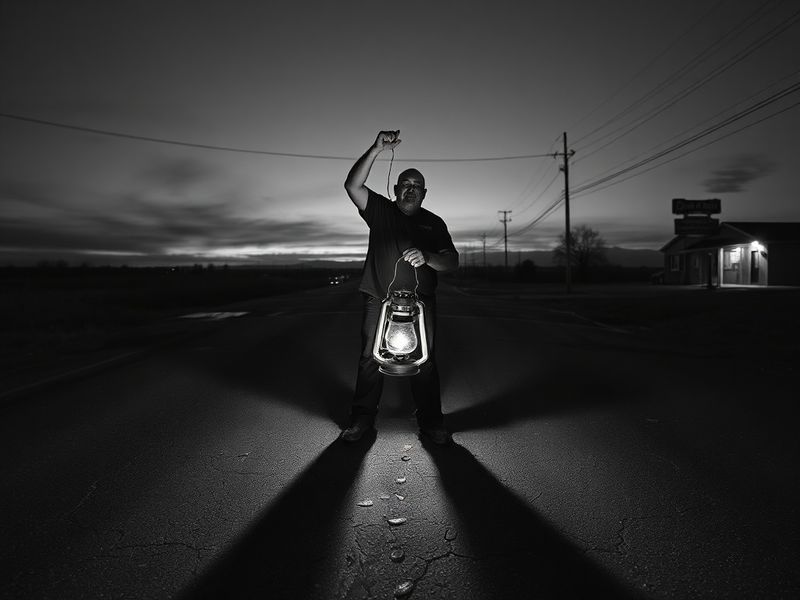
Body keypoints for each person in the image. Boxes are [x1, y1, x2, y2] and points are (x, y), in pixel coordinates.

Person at [341, 130, 459, 445]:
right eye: (405, 184)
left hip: (421, 302)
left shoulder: (434, 223)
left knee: (426, 360)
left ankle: (432, 422)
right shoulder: (380, 211)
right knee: (370, 357)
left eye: (416, 186)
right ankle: (361, 420)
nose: (410, 189)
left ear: (424, 193)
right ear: (395, 189)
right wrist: (376, 149)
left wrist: (428, 257)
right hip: (378, 296)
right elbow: (352, 186)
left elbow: (452, 261)